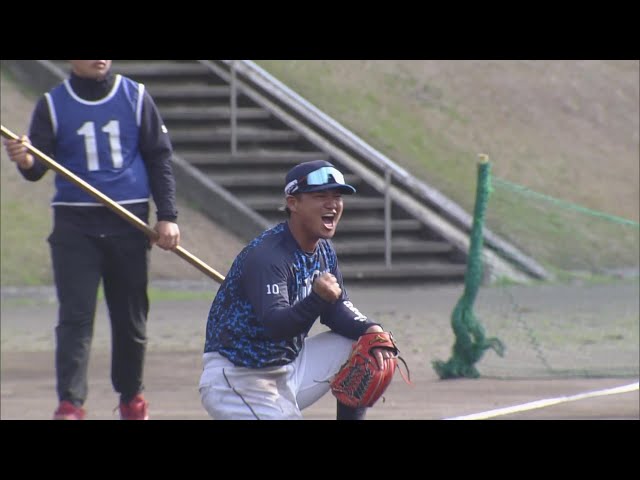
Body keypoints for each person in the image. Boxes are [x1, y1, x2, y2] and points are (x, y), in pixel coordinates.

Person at [3, 60, 180, 420]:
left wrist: (167, 216)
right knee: (75, 318)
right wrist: (23, 160)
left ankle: (132, 398)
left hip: (128, 222)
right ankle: (71, 403)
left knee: (131, 319)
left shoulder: (135, 97)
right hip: (74, 226)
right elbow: (38, 168)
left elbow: (158, 156)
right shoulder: (52, 104)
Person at [199, 159, 397, 420]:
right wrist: (316, 298)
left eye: (337, 196)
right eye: (320, 196)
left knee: (364, 346)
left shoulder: (323, 251)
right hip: (238, 378)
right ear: (293, 203)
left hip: (289, 369)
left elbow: (336, 309)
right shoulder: (268, 256)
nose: (332, 204)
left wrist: (371, 328)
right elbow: (276, 325)